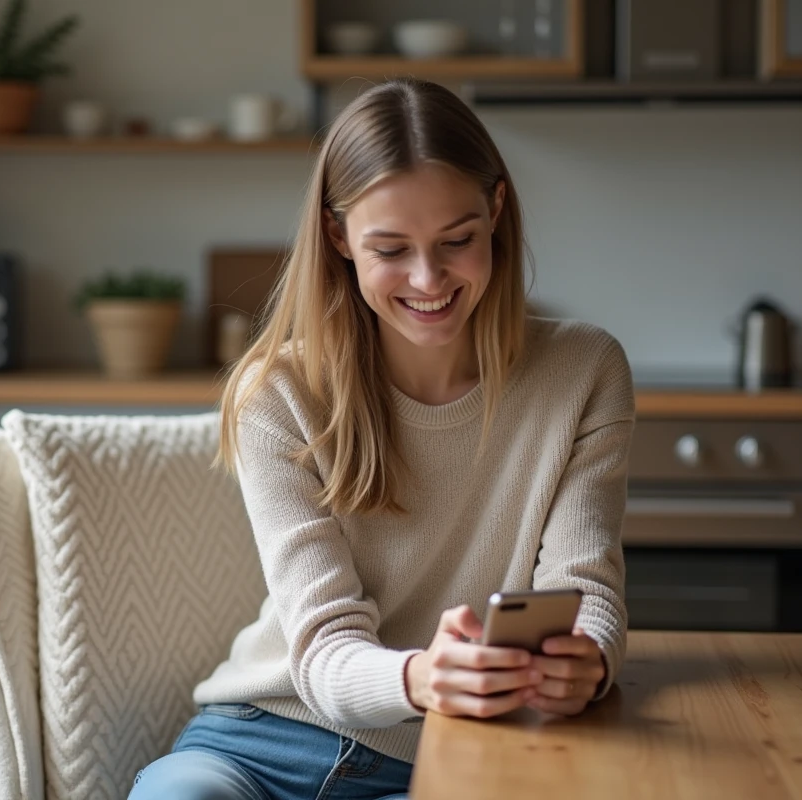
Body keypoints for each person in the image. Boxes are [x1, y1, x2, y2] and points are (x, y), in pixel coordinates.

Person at [129, 77, 634, 800]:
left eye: (457, 241)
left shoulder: (584, 370)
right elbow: (324, 649)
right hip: (263, 736)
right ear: (338, 237)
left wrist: (588, 658)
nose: (428, 279)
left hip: (450, 755)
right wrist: (419, 675)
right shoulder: (277, 391)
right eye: (391, 248)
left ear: (496, 210)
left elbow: (584, 587)